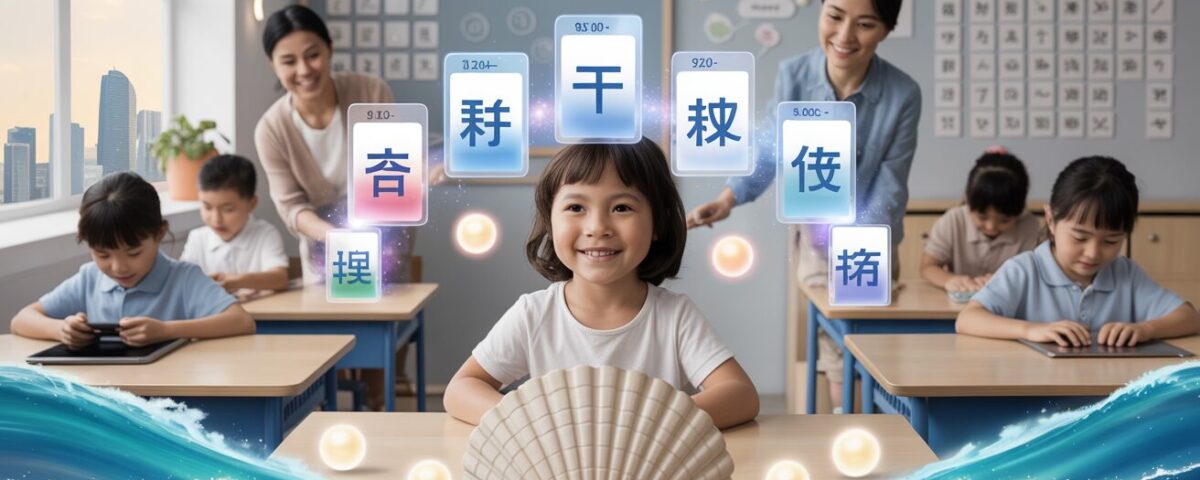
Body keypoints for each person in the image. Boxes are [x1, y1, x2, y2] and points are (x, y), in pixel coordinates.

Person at [687, 0, 918, 410]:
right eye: (834, 16)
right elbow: (771, 149)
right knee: (837, 351)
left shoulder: (903, 93)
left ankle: (872, 445)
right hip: (813, 241)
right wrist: (728, 199)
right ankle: (853, 448)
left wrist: (853, 243)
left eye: (864, 24)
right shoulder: (794, 74)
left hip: (870, 239)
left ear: (885, 30)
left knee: (873, 350)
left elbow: (890, 186)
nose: (845, 35)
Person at [444, 139, 760, 429]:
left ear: (658, 224)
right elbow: (460, 389)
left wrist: (658, 422)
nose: (597, 227)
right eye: (576, 208)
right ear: (550, 221)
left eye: (621, 207)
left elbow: (741, 395)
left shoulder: (674, 316)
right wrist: (525, 422)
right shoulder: (534, 314)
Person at [957, 156, 1200, 347]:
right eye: (1080, 237)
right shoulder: (1025, 269)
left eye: (1111, 241)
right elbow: (968, 319)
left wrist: (1145, 329)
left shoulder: (1126, 273)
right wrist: (1030, 330)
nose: (1093, 253)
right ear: (1051, 219)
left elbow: (1190, 317)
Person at [10, 172, 255, 348]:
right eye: (102, 254)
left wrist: (166, 331)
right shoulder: (89, 278)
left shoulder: (183, 278)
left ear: (159, 233)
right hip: (107, 400)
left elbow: (241, 321)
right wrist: (61, 330)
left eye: (133, 252)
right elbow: (22, 319)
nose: (118, 267)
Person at [921, 147, 1040, 293]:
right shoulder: (953, 221)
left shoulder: (1030, 226)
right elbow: (928, 266)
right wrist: (950, 280)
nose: (990, 226)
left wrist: (1005, 280)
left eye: (1004, 220)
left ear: (1020, 210)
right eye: (982, 217)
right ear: (968, 201)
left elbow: (1034, 275)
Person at [181, 154, 290, 300]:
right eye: (207, 207)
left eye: (228, 209)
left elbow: (280, 279)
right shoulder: (197, 238)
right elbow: (182, 281)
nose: (216, 219)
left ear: (252, 203)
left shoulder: (265, 234)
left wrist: (237, 280)